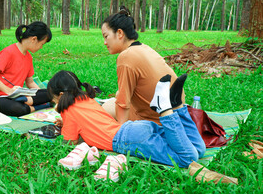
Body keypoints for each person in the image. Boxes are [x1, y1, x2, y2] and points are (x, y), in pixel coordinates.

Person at [49, 70, 205, 171]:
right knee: (199, 149)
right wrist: (66, 122)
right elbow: (88, 121)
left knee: (187, 158)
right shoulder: (87, 100)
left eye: (55, 100)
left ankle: (164, 109)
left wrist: (64, 121)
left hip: (128, 140)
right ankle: (177, 106)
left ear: (61, 96)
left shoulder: (68, 111)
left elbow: (69, 143)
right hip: (134, 128)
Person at [101, 6, 182, 125]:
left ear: (119, 33)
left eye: (106, 36)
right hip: (177, 116)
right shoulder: (144, 48)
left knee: (105, 109)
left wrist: (122, 132)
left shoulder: (126, 57)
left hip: (157, 122)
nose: (105, 42)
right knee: (115, 98)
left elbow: (123, 104)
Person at [0, 21, 52, 116]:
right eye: (42, 44)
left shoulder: (28, 57)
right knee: (17, 108)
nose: (41, 47)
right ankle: (38, 106)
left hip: (18, 96)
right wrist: (8, 91)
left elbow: (30, 83)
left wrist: (43, 94)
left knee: (49, 93)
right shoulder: (8, 52)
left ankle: (29, 102)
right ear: (34, 39)